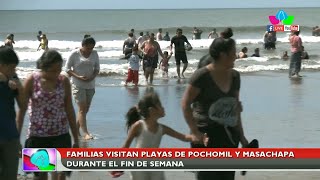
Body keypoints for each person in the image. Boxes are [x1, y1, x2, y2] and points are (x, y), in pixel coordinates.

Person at [181, 33, 249, 180]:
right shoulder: (201, 76)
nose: (236, 56)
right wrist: (195, 133)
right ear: (223, 55)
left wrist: (242, 137)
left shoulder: (235, 77)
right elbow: (185, 104)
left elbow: (235, 109)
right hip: (206, 137)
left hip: (229, 137)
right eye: (233, 53)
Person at [23, 50, 79, 180]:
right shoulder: (32, 80)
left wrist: (76, 138)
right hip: (37, 135)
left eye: (59, 70)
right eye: (54, 70)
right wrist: (16, 138)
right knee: (40, 175)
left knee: (61, 174)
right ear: (44, 67)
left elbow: (70, 109)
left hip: (61, 134)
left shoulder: (63, 81)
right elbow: (21, 111)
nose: (57, 73)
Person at [122, 92, 195, 180]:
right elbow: (126, 146)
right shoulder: (139, 126)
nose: (163, 107)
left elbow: (184, 137)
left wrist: (198, 137)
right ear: (152, 110)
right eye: (160, 105)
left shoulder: (162, 128)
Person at [65, 37, 100, 140]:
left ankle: (75, 129)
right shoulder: (74, 54)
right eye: (88, 48)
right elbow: (67, 69)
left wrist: (92, 77)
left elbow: (97, 68)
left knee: (85, 110)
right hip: (78, 84)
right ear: (83, 45)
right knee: (82, 109)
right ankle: (85, 133)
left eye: (92, 48)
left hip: (90, 85)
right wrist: (78, 77)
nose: (90, 50)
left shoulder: (94, 53)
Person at [0, 46, 25, 180]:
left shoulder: (13, 78)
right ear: (1, 65)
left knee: (10, 176)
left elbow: (23, 105)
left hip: (10, 136)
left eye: (15, 68)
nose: (13, 71)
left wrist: (19, 88)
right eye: (11, 68)